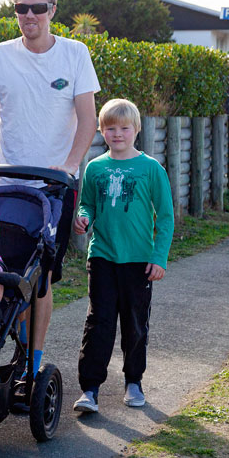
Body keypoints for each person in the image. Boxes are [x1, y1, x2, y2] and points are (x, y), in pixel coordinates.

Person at [0, 0, 100, 378]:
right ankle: (9, 351)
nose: (29, 16)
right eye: (21, 8)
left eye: (38, 8)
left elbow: (88, 119)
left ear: (52, 10)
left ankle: (33, 364)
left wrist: (71, 166)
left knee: (40, 281)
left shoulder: (75, 54)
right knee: (2, 269)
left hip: (54, 187)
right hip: (7, 185)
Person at [72, 98, 174, 413]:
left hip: (139, 262)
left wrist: (159, 257)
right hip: (102, 257)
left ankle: (133, 381)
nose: (118, 134)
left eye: (124, 128)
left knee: (135, 322)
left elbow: (166, 217)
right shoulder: (95, 167)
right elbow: (87, 202)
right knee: (98, 322)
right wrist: (83, 217)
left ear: (137, 130)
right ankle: (89, 389)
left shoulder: (151, 169)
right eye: (111, 128)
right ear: (102, 131)